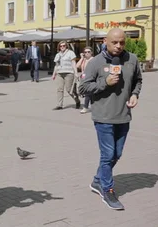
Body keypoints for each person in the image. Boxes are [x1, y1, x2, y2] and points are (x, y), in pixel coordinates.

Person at [79, 28, 142, 210]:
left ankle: (98, 180)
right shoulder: (95, 62)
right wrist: (104, 83)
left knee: (117, 154)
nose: (119, 46)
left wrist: (135, 94)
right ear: (105, 41)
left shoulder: (132, 59)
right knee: (107, 155)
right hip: (103, 117)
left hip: (123, 115)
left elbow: (138, 80)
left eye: (122, 42)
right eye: (115, 42)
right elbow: (83, 88)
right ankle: (108, 190)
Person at [52, 41, 80, 110]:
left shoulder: (70, 53)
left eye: (64, 46)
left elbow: (73, 63)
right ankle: (59, 105)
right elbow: (56, 65)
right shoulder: (58, 54)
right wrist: (54, 74)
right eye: (60, 46)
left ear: (66, 46)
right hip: (59, 73)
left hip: (69, 73)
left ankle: (77, 101)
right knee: (59, 89)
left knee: (69, 90)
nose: (62, 47)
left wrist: (76, 73)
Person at [76, 47, 94, 114]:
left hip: (91, 78)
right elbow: (77, 66)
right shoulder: (84, 59)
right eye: (85, 52)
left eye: (88, 52)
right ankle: (93, 107)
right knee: (90, 93)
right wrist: (82, 58)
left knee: (88, 93)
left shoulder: (93, 59)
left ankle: (85, 107)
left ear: (91, 52)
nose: (87, 53)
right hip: (84, 78)